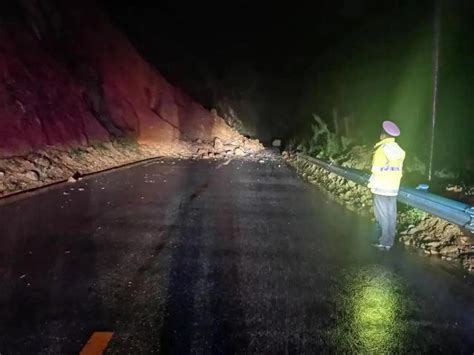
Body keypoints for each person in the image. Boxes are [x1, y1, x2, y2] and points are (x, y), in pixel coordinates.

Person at [367, 121, 406, 250]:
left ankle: (384, 242)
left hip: (380, 187)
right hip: (393, 188)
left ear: (383, 135)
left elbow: (375, 169)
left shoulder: (381, 150)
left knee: (382, 216)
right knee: (391, 215)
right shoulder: (400, 150)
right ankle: (389, 242)